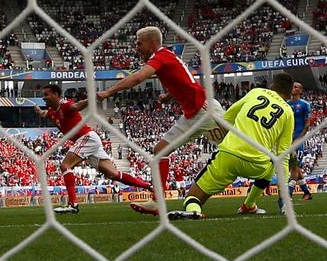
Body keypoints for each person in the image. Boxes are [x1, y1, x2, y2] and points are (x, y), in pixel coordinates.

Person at [96, 26, 227, 216]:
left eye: (139, 43)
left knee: (238, 148)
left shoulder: (161, 56)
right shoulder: (167, 57)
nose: (136, 47)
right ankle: (157, 202)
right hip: (191, 115)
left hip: (206, 111)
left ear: (152, 42)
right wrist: (169, 96)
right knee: (159, 151)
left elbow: (138, 78)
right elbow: (183, 81)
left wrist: (109, 91)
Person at [168, 73, 295, 220]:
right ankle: (249, 204)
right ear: (290, 94)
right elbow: (283, 156)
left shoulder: (256, 92)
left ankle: (194, 210)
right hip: (258, 163)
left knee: (192, 198)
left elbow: (227, 117)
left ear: (272, 86)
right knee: (272, 165)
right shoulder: (288, 113)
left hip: (229, 155)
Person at [35, 84, 152, 214]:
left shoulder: (66, 105)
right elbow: (44, 113)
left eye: (46, 94)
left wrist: (94, 98)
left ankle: (73, 204)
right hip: (89, 141)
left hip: (86, 137)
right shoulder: (52, 111)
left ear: (56, 95)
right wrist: (38, 110)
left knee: (65, 166)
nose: (44, 98)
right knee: (113, 174)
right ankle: (149, 186)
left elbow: (77, 106)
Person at [277, 82, 313, 212]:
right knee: (295, 167)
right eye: (292, 86)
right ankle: (307, 192)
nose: (293, 88)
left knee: (293, 168)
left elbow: (307, 124)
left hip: (297, 140)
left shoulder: (305, 105)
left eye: (296, 87)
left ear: (301, 90)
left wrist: (300, 138)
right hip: (286, 140)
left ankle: (288, 195)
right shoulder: (285, 104)